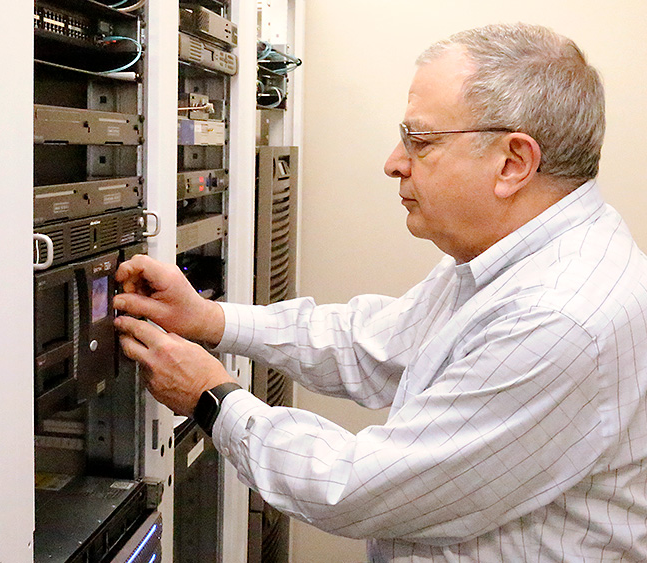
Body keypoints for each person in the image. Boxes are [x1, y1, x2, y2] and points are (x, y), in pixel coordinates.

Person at [113, 23, 647, 561]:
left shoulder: (560, 314)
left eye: (420, 140)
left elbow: (357, 487)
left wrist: (213, 398)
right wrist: (210, 319)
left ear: (513, 163)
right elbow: (373, 344)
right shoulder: (507, 259)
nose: (394, 161)